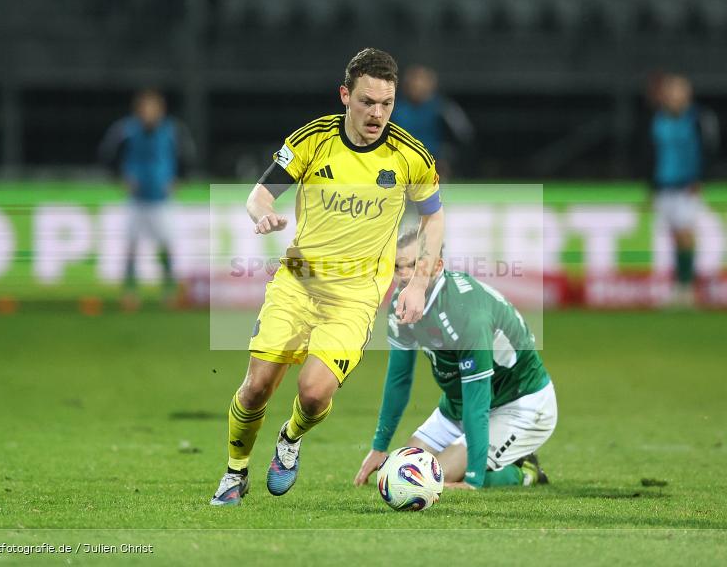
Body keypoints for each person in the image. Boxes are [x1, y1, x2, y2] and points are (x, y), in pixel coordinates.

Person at [210, 48, 445, 506]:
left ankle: (291, 436)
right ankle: (235, 472)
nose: (377, 113)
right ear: (345, 95)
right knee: (257, 385)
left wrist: (417, 282)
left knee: (314, 393)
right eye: (367, 102)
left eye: (386, 103)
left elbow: (434, 217)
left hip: (356, 295)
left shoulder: (409, 156)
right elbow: (260, 195)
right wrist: (264, 216)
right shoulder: (312, 140)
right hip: (298, 281)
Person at [354, 229, 556, 490]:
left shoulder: (467, 314)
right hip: (458, 406)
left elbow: (478, 398)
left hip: (519, 404)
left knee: (430, 479)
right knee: (401, 471)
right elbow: (399, 379)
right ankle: (489, 460)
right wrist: (379, 448)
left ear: (438, 265)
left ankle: (523, 471)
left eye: (415, 265)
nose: (403, 275)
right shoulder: (400, 303)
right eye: (397, 266)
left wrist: (472, 480)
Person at [98, 89, 196, 309]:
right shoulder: (126, 130)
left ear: (161, 110)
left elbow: (188, 156)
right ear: (138, 110)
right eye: (145, 108)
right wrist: (119, 178)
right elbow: (106, 154)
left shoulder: (172, 130)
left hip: (162, 200)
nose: (149, 112)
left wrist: (180, 179)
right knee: (131, 245)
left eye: (153, 108)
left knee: (167, 245)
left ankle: (169, 290)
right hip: (136, 199)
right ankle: (130, 292)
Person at [648, 74, 719, 305]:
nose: (672, 95)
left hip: (688, 186)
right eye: (669, 90)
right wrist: (651, 185)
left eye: (677, 90)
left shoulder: (699, 118)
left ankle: (687, 287)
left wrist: (701, 178)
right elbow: (649, 153)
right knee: (674, 235)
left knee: (685, 234)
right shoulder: (657, 119)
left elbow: (709, 149)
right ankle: (679, 285)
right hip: (664, 185)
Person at [391, 64, 474, 180]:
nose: (417, 85)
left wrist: (447, 155)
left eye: (421, 80)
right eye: (413, 81)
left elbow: (464, 133)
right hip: (400, 158)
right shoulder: (393, 108)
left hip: (434, 158)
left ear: (431, 84)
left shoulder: (443, 107)